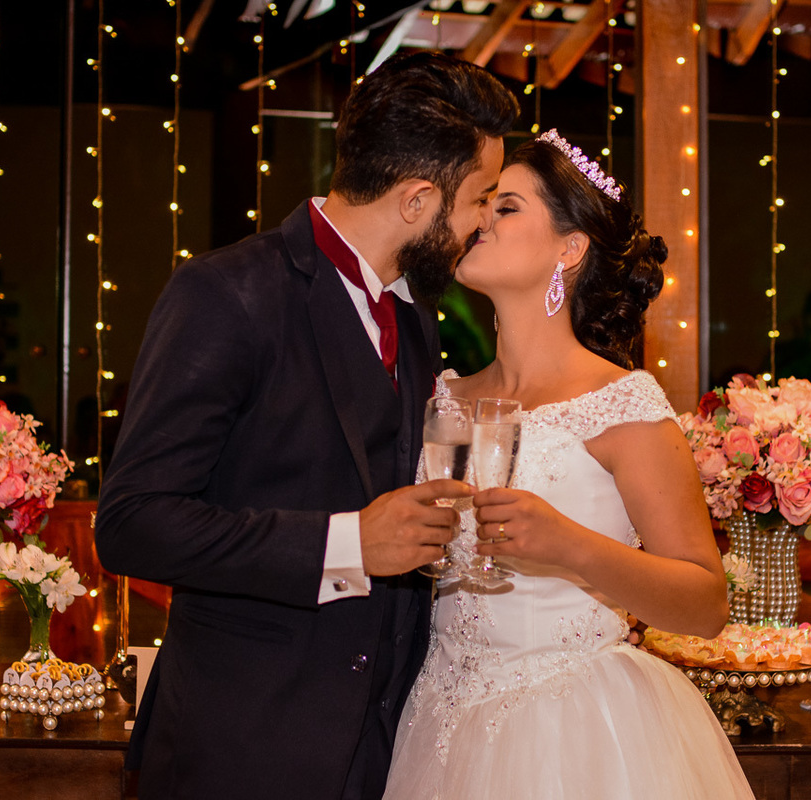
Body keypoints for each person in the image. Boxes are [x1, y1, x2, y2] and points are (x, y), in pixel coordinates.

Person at [94, 53, 520, 800]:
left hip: (386, 748)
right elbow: (133, 524)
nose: (485, 221)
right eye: (481, 198)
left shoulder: (415, 318)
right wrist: (349, 543)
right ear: (418, 199)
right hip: (242, 745)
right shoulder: (224, 293)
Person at [382, 131, 755, 798]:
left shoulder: (622, 404)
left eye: (507, 207)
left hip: (576, 731)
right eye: (483, 203)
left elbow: (705, 605)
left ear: (570, 248)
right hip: (436, 714)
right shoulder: (442, 396)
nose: (482, 220)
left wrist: (569, 547)